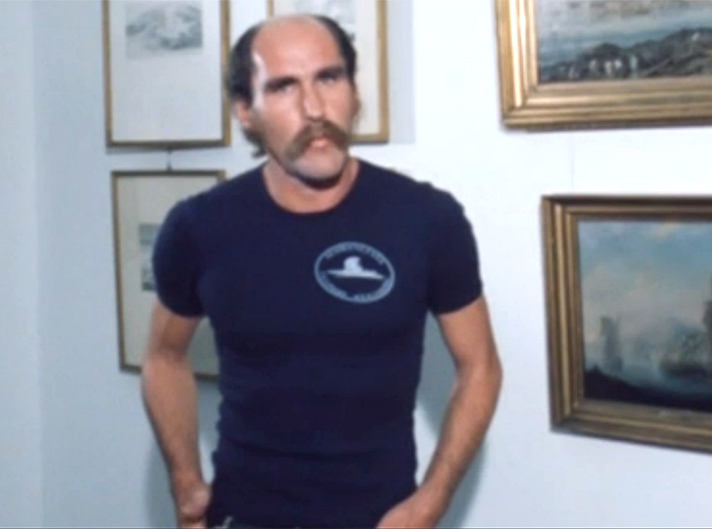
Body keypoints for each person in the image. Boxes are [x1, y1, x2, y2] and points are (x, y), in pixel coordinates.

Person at [141, 14, 502, 529]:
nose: (314, 108)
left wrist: (431, 501)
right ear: (246, 110)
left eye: (329, 78)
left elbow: (480, 366)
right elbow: (163, 356)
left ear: (354, 92)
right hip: (245, 516)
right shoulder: (200, 227)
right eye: (284, 87)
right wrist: (185, 481)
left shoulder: (426, 219)